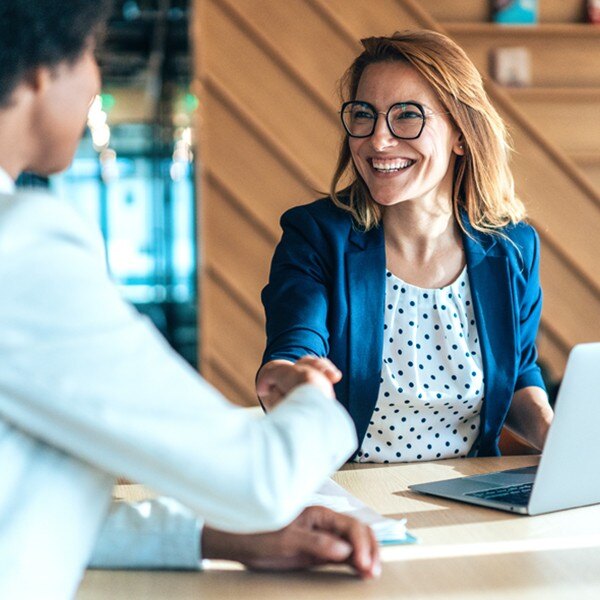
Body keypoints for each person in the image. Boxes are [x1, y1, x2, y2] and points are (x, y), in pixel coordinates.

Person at [0, 3, 380, 598]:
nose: (97, 79)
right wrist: (313, 400)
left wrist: (223, 538)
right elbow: (261, 479)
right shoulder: (19, 246)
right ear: (40, 74)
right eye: (91, 55)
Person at [257, 31, 554, 464]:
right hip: (350, 496)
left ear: (460, 133)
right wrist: (289, 378)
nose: (378, 140)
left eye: (408, 116)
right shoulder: (316, 235)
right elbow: (294, 346)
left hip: (469, 495)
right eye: (364, 115)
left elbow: (519, 371)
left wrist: (554, 434)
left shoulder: (513, 248)